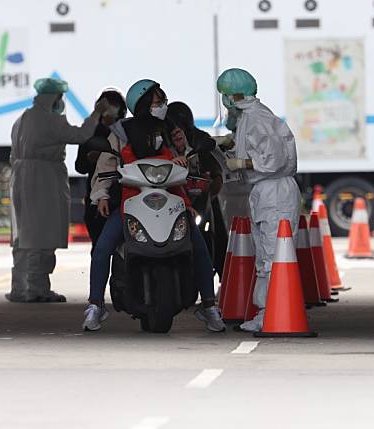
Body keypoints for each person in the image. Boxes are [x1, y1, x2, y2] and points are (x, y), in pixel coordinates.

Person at [83, 79, 226, 333]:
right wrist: (102, 195)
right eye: (158, 102)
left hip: (173, 200)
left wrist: (184, 154)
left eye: (163, 102)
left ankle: (209, 305)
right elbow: (106, 164)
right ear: (143, 104)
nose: (162, 106)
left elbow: (190, 160)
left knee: (199, 244)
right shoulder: (120, 133)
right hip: (130, 201)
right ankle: (95, 305)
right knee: (103, 247)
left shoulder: (171, 131)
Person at [7, 77, 110, 303]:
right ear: (52, 97)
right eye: (60, 97)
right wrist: (96, 114)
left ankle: (19, 287)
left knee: (24, 235)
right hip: (43, 181)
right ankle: (37, 288)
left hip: (21, 178)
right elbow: (81, 135)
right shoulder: (49, 121)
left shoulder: (23, 118)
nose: (61, 102)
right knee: (40, 235)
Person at [216, 68, 301, 332]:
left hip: (273, 191)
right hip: (266, 191)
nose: (225, 100)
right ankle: (268, 311)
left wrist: (241, 162)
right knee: (267, 254)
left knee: (273, 254)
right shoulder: (250, 118)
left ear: (235, 94)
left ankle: (272, 313)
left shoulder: (257, 120)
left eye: (226, 95)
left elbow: (272, 159)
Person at [166, 102, 228, 277]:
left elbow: (216, 174)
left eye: (179, 126)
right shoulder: (163, 142)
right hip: (174, 197)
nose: (176, 131)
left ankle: (221, 272)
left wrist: (209, 194)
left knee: (218, 233)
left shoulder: (201, 139)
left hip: (200, 197)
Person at [75, 89, 127, 251]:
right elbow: (80, 166)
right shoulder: (90, 133)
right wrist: (94, 160)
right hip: (96, 198)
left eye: (112, 107)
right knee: (99, 249)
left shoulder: (126, 132)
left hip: (124, 194)